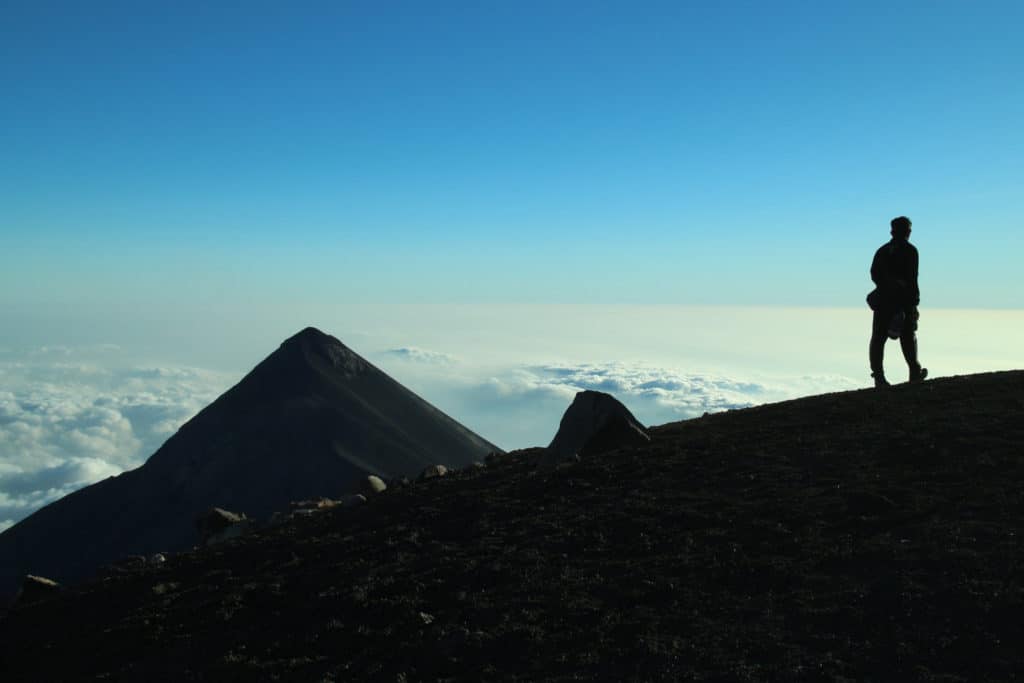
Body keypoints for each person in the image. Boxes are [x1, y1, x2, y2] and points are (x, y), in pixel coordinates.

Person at [869, 216, 927, 387]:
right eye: (908, 229)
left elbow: (874, 274)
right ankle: (914, 372)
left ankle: (879, 377)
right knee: (908, 336)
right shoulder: (910, 251)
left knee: (879, 337)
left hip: (884, 301)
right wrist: (913, 302)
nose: (909, 232)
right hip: (903, 301)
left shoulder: (882, 251)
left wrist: (886, 286)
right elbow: (912, 278)